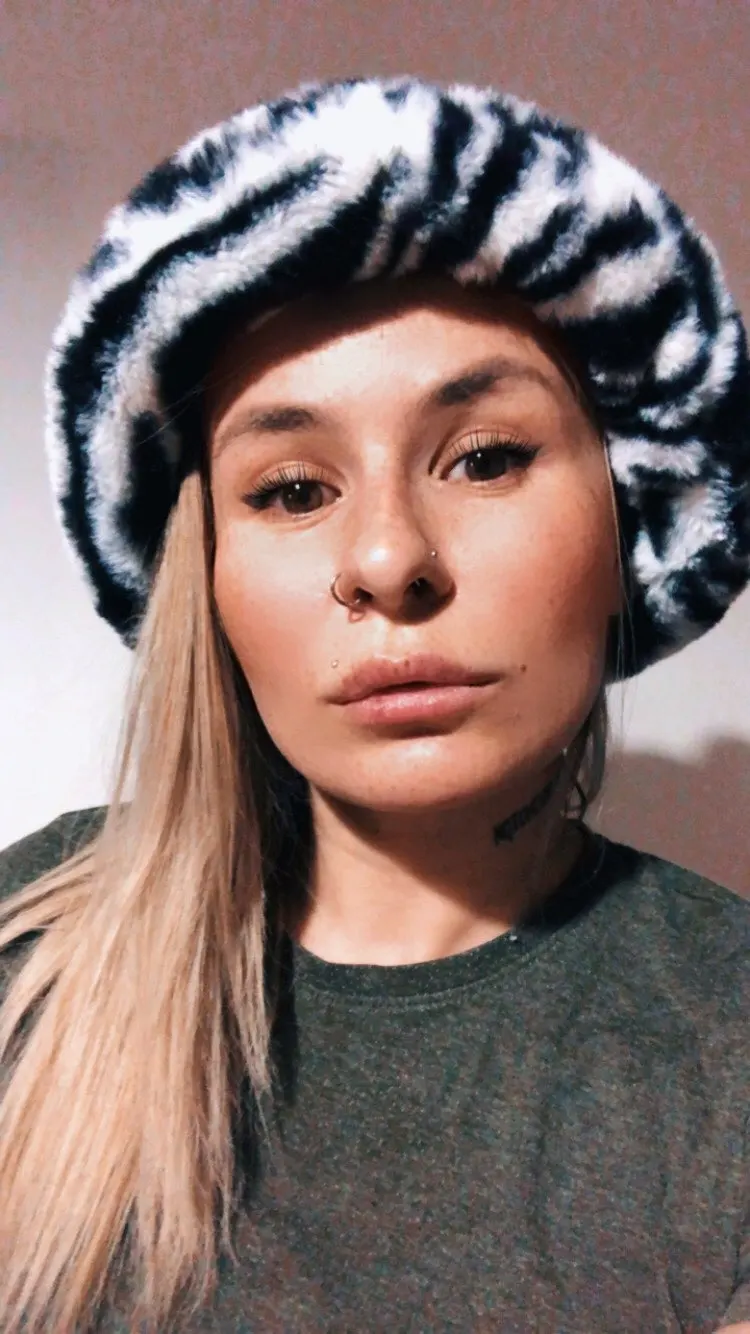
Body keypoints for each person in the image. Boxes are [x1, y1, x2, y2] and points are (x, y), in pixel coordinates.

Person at [0, 75, 748, 1334]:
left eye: (488, 457)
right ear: (206, 579)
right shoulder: (33, 951)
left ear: (624, 522)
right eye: (293, 489)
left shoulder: (727, 1040)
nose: (391, 559)